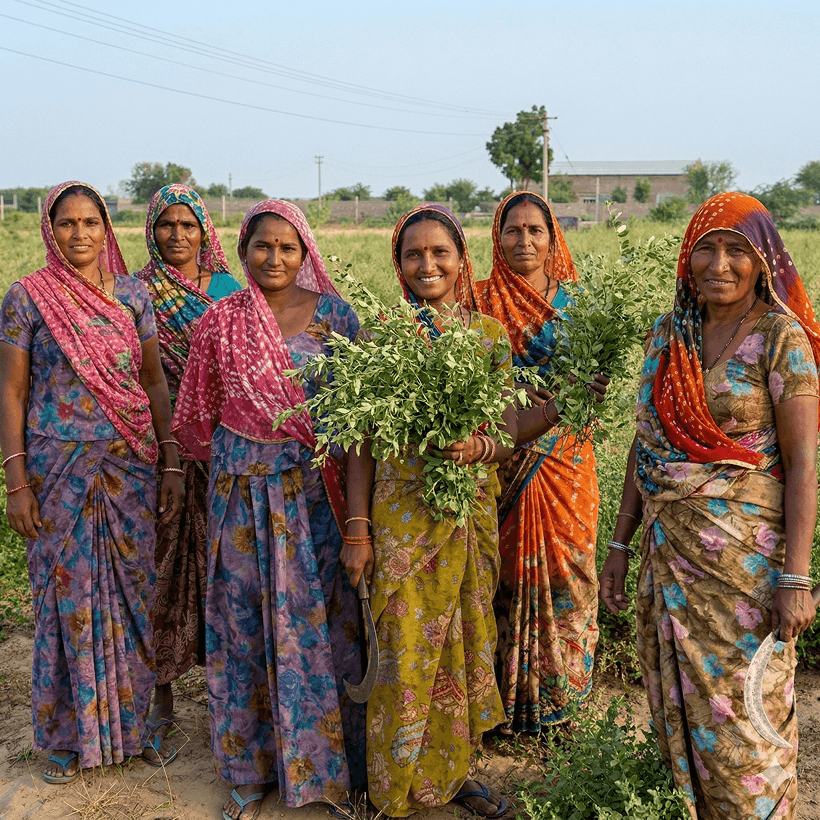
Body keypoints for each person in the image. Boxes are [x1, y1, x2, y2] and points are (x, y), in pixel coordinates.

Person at [599, 192, 820, 820]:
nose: (719, 263)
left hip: (747, 564)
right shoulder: (671, 335)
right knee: (682, 706)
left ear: (762, 262)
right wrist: (618, 544)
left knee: (747, 710)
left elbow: (804, 466)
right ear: (686, 256)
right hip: (670, 553)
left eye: (737, 250)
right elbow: (646, 449)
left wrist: (797, 577)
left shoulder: (782, 338)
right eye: (707, 247)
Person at [172, 200, 365, 820]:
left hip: (316, 503)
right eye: (262, 245)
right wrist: (247, 454)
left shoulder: (340, 320)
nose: (274, 257)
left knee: (321, 626)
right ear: (242, 251)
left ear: (306, 250)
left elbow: (358, 424)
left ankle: (325, 769)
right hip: (239, 500)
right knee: (244, 625)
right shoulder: (219, 322)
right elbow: (197, 417)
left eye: (287, 246)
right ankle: (251, 768)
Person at [0, 181, 183, 784]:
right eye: (67, 223)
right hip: (57, 472)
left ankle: (139, 725)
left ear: (108, 228)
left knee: (136, 594)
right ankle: (64, 734)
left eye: (91, 222)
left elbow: (155, 383)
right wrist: (16, 481)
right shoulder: (27, 298)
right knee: (65, 598)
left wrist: (170, 460)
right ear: (48, 229)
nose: (80, 234)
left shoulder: (133, 296)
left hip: (129, 467)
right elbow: (12, 390)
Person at [343, 205, 514, 818]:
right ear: (398, 263)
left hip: (466, 516)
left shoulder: (490, 337)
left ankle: (453, 774)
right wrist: (358, 529)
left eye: (439, 252)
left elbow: (501, 426)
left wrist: (480, 447)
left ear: (462, 259)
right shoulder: (379, 337)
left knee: (462, 644)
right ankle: (393, 787)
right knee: (404, 647)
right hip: (400, 520)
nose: (427, 265)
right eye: (413, 254)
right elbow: (358, 441)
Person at [471, 191, 608, 733]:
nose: (524, 241)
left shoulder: (579, 305)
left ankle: (560, 707)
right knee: (497, 577)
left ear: (553, 239)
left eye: (535, 231)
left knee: (567, 577)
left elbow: (597, 377)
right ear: (497, 237)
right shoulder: (477, 300)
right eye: (512, 230)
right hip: (499, 457)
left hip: (566, 462)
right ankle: (500, 709)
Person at [136, 184, 241, 739]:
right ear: (151, 231)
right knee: (165, 567)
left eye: (188, 225)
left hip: (226, 450)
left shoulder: (228, 290)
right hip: (161, 451)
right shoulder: (134, 291)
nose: (177, 236)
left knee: (230, 569)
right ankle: (162, 693)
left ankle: (234, 694)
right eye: (166, 225)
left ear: (205, 232)